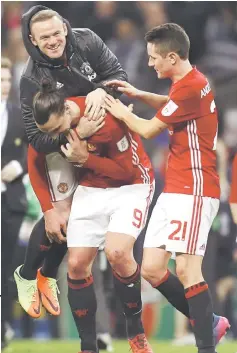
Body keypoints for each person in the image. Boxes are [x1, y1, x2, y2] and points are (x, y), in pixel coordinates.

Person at [104, 23, 230, 353]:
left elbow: (148, 130)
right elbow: (174, 103)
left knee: (188, 269)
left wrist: (117, 110)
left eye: (153, 58)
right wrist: (140, 94)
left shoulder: (191, 87)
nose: (150, 64)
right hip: (174, 187)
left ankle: (206, 346)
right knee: (152, 268)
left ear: (172, 57)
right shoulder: (190, 84)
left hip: (194, 189)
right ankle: (210, 321)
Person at [15, 4, 127, 319]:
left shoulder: (88, 40)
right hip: (57, 146)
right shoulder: (30, 78)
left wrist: (100, 93)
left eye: (55, 33)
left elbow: (120, 78)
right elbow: (36, 140)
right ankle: (26, 275)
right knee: (62, 216)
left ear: (64, 28)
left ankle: (46, 275)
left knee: (78, 217)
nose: (52, 41)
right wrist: (75, 137)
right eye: (44, 37)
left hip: (95, 136)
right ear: (33, 41)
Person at [31, 82, 156, 353]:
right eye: (48, 133)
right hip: (91, 187)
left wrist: (85, 158)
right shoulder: (55, 126)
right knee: (76, 264)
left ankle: (135, 333)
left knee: (118, 253)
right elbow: (35, 157)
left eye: (56, 130)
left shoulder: (104, 117)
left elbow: (124, 171)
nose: (54, 138)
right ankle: (88, 346)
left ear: (67, 110)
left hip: (130, 185)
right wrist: (48, 209)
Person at [1, 57, 27, 349]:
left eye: (8, 80)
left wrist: (19, 168)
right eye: (0, 81)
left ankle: (3, 327)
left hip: (11, 201)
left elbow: (34, 153)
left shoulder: (20, 115)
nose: (5, 86)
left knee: (6, 270)